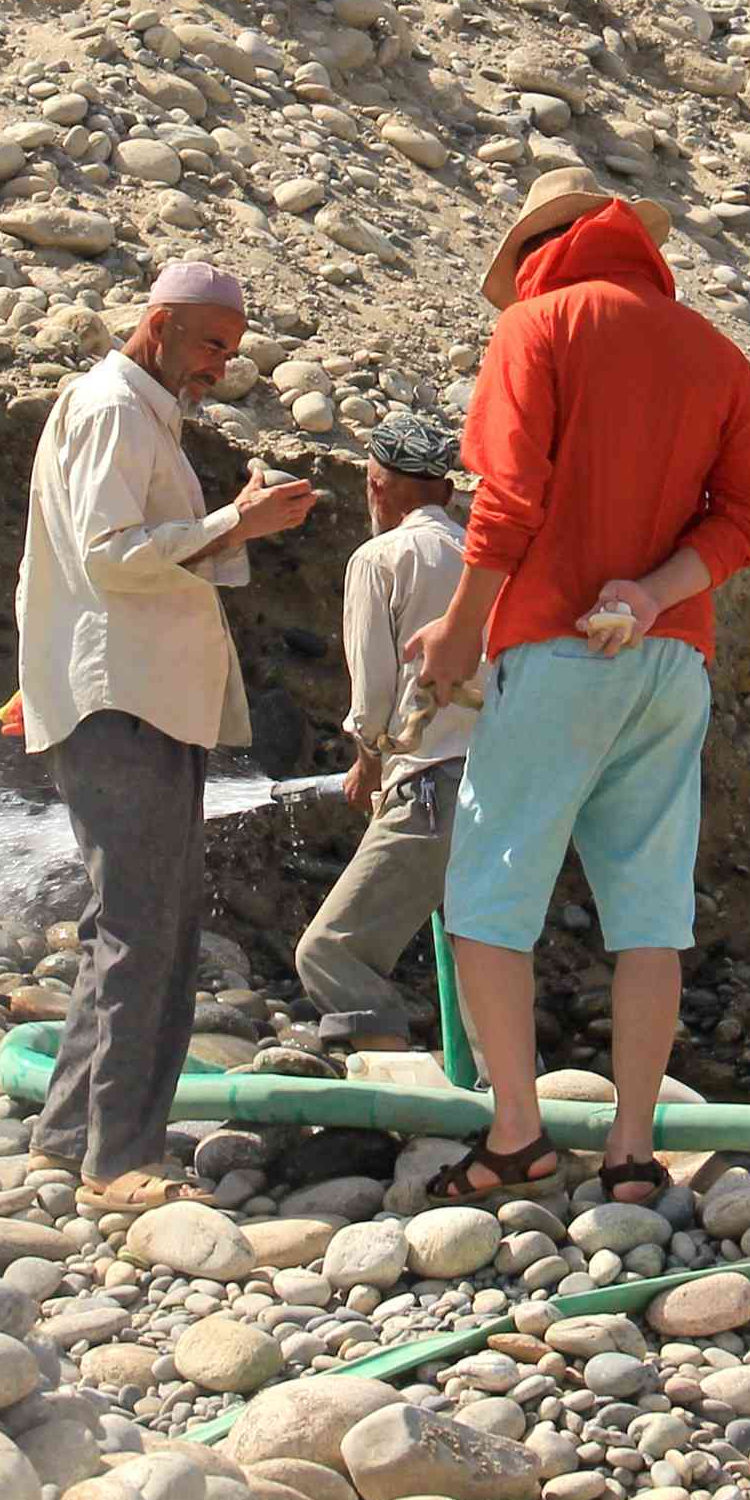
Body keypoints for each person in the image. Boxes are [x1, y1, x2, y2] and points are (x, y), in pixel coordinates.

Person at [407, 169, 750, 1204]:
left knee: (486, 900)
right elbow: (745, 518)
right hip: (670, 658)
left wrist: (458, 630)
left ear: (540, 252)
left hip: (556, 646)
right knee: (650, 912)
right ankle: (629, 1151)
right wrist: (655, 593)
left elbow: (507, 499)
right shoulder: (716, 353)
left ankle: (517, 1134)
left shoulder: (539, 326)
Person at [12, 262, 318, 1212]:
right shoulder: (112, 409)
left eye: (230, 351)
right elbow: (111, 561)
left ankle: (68, 1140)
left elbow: (141, 552)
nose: (220, 366)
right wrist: (237, 518)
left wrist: (235, 526)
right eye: (209, 344)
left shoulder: (138, 412)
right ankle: (120, 1163)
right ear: (157, 324)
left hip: (140, 698)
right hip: (125, 701)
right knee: (148, 931)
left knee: (129, 925)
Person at [291, 414, 476, 1052]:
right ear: (447, 494)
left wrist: (367, 763)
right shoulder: (482, 557)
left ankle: (401, 1099)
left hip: (431, 786)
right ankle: (502, 1112)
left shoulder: (380, 557)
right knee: (484, 962)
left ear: (376, 484)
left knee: (330, 954)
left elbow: (372, 698)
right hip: (507, 786)